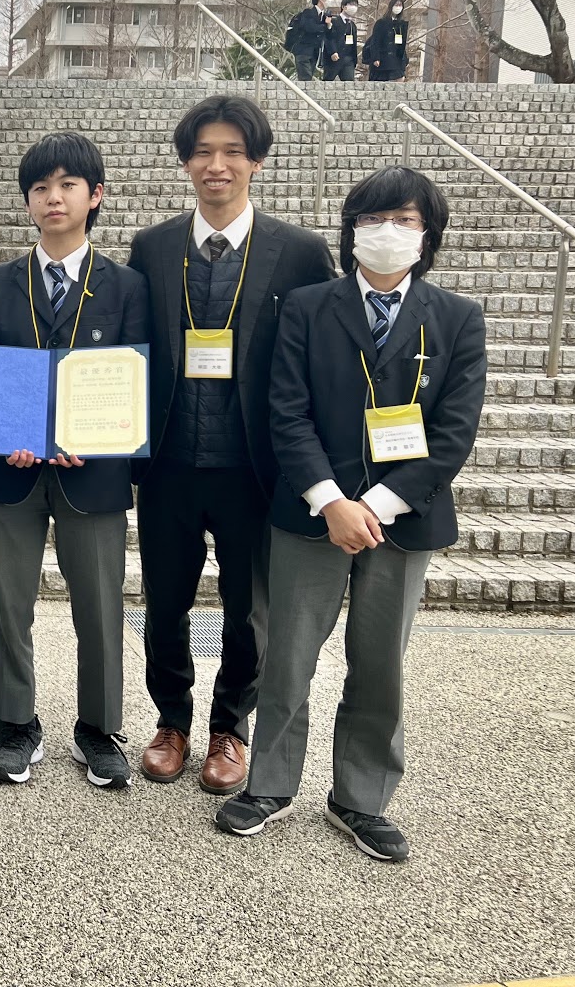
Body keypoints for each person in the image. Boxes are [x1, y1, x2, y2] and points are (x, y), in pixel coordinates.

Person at [216, 168, 486, 862]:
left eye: (404, 218)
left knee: (380, 663)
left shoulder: (457, 318)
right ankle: (270, 785)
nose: (388, 232)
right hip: (312, 513)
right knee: (287, 656)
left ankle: (360, 799)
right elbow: (287, 411)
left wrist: (379, 503)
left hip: (406, 519)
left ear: (428, 233)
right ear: (350, 229)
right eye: (373, 219)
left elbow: (453, 433)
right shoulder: (307, 307)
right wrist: (331, 500)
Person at [127, 95, 335, 795]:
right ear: (186, 162)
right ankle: (171, 721)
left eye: (232, 152)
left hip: (255, 470)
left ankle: (228, 729)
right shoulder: (153, 248)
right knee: (164, 601)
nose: (217, 165)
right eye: (204, 152)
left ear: (257, 161)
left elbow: (320, 362)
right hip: (168, 463)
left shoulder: (301, 253)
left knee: (250, 609)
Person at [0, 132, 150, 789]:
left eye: (68, 185)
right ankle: (15, 724)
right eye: (41, 187)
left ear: (94, 196)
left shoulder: (126, 287)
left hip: (93, 473)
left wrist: (101, 437)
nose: (54, 197)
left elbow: (133, 378)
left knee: (99, 607)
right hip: (11, 472)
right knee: (9, 602)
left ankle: (98, 730)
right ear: (27, 202)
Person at [284, 0, 334, 81]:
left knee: (308, 77)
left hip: (314, 52)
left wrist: (329, 25)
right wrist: (325, 26)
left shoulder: (325, 16)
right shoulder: (308, 13)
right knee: (305, 77)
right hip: (302, 50)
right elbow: (310, 28)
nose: (330, 0)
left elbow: (328, 35)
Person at [362, 0, 410, 81]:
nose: (398, 7)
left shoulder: (401, 24)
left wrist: (404, 60)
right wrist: (375, 58)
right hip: (382, 60)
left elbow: (402, 44)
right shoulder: (381, 23)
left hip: (397, 60)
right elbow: (375, 41)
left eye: (400, 5)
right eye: (396, 5)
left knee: (400, 80)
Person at [322, 0, 360, 81]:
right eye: (351, 4)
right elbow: (328, 37)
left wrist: (354, 60)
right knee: (328, 82)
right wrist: (333, 51)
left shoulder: (352, 25)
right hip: (334, 58)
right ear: (343, 6)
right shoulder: (334, 21)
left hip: (348, 59)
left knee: (349, 84)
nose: (354, 7)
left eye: (355, 5)